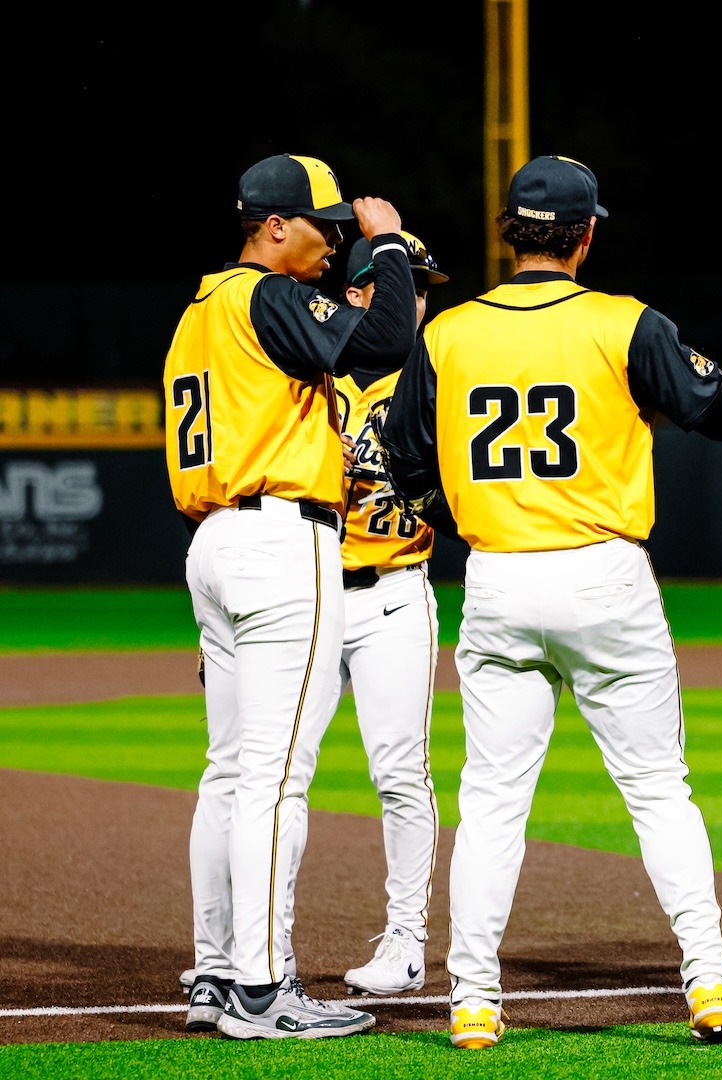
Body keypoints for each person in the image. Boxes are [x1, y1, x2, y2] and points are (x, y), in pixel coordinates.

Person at [380, 155, 722, 1050]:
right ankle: (708, 981)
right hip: (603, 576)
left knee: (492, 802)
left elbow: (402, 461)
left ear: (511, 233)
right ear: (586, 237)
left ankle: (473, 999)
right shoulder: (624, 323)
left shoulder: (449, 332)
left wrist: (461, 515)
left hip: (499, 576)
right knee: (658, 790)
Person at [167, 153, 417, 1039]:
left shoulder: (199, 310)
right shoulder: (266, 294)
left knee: (229, 772)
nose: (336, 242)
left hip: (215, 541)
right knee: (275, 780)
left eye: (346, 230)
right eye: (326, 226)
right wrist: (390, 246)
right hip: (279, 541)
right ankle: (263, 990)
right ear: (274, 226)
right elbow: (388, 340)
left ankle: (213, 973)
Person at [330, 230, 452, 997]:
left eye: (423, 288)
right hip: (304, 596)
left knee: (401, 772)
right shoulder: (308, 370)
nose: (416, 300)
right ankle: (255, 947)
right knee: (272, 774)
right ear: (354, 297)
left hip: (395, 592)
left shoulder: (435, 381)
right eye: (401, 284)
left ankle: (405, 942)